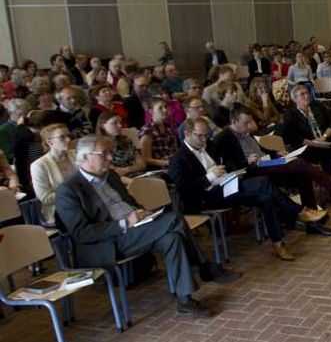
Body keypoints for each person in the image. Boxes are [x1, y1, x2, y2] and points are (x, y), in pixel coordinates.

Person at [56, 135, 240, 318]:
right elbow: (82, 233)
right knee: (174, 218)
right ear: (86, 157)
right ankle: (205, 267)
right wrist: (125, 223)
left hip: (135, 230)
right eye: (104, 154)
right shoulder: (69, 190)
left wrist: (143, 213)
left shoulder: (110, 176)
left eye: (110, 153)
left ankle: (186, 301)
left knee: (172, 238)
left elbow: (129, 203)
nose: (111, 158)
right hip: (108, 242)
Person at [168, 118, 328, 262]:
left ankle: (278, 243)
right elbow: (184, 189)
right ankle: (300, 211)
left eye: (206, 135)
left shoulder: (208, 146)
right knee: (263, 181)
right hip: (206, 197)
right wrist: (209, 177)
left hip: (225, 186)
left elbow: (227, 163)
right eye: (200, 136)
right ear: (187, 134)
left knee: (266, 198)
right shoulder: (178, 158)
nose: (204, 139)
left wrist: (231, 171)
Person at [213, 105, 331, 211]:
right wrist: (246, 162)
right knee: (299, 163)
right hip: (254, 170)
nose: (250, 126)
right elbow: (226, 165)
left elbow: (261, 150)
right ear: (233, 121)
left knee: (302, 173)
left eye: (250, 122)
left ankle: (312, 214)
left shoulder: (246, 133)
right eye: (246, 123)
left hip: (268, 162)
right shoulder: (224, 138)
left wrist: (276, 153)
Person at [280, 85, 331, 205]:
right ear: (295, 99)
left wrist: (324, 137)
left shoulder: (317, 106)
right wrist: (310, 142)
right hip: (308, 147)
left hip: (326, 140)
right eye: (302, 94)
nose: (307, 95)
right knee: (327, 159)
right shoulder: (290, 114)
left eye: (307, 92)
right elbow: (289, 136)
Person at [30, 123, 75, 224]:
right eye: (62, 137)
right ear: (49, 142)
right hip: (59, 209)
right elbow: (45, 198)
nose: (68, 140)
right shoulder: (39, 165)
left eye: (68, 136)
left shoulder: (76, 154)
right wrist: (75, 192)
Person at [96, 112, 146, 179]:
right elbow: (113, 172)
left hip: (139, 176)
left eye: (120, 122)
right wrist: (134, 168)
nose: (120, 126)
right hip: (120, 181)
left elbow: (142, 165)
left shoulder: (126, 140)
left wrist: (126, 170)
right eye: (114, 123)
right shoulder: (99, 146)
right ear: (102, 126)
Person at [140, 97, 179, 169]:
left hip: (173, 164)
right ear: (151, 111)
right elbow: (146, 159)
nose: (165, 110)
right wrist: (169, 162)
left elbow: (175, 151)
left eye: (166, 107)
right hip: (160, 168)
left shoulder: (169, 129)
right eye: (160, 108)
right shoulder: (147, 131)